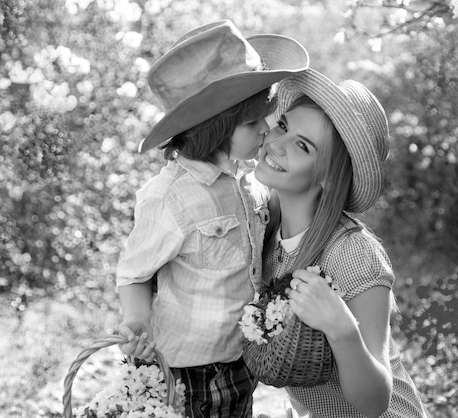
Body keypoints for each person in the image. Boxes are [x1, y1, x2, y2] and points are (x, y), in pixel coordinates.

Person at [115, 20, 309, 418]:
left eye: (266, 117)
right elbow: (135, 272)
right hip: (185, 369)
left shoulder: (248, 182)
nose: (266, 129)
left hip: (240, 358)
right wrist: (136, 319)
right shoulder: (169, 197)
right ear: (217, 126)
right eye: (253, 123)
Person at [252, 68, 428, 417]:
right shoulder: (264, 234)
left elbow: (375, 401)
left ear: (329, 178)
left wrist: (340, 326)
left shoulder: (353, 253)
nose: (276, 144)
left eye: (302, 146)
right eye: (284, 126)